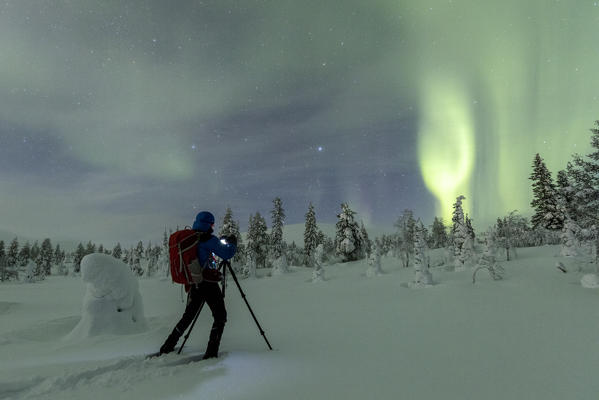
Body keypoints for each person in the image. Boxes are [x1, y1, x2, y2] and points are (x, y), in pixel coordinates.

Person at [160, 211, 237, 359]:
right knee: (220, 316)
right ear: (209, 224)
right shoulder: (209, 239)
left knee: (188, 316)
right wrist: (232, 243)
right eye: (212, 224)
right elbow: (227, 254)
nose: (213, 226)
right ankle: (211, 353)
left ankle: (167, 346)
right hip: (208, 284)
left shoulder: (192, 238)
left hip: (194, 283)